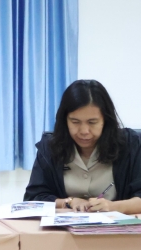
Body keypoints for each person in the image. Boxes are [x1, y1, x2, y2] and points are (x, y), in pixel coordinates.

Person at [24, 79, 141, 213]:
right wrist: (69, 202)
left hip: (119, 225)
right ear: (65, 120)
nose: (84, 131)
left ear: (106, 120)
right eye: (75, 122)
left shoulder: (131, 145)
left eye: (92, 122)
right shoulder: (50, 147)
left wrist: (112, 207)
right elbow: (33, 198)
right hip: (65, 226)